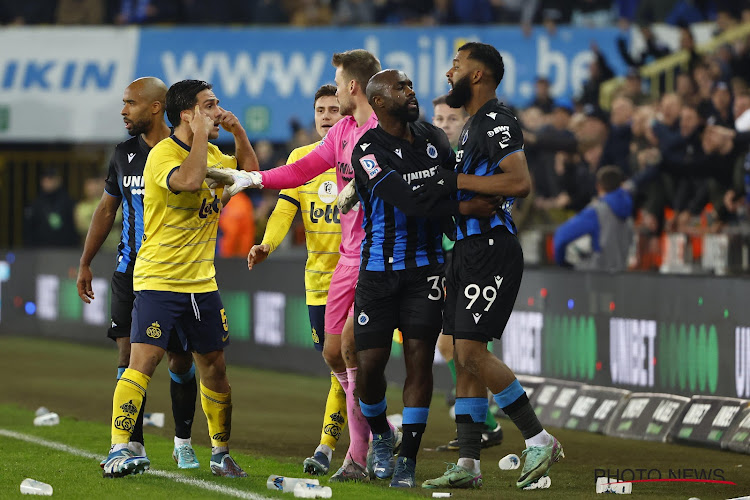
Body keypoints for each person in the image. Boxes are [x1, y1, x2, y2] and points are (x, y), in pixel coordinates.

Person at [209, 49, 382, 482]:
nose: (330, 106)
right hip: (339, 262)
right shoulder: (340, 133)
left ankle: (357, 451)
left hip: (381, 256)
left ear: (353, 87)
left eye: (338, 88)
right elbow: (299, 174)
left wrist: (363, 189)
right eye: (321, 107)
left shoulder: (383, 131)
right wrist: (254, 179)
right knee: (333, 353)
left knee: (361, 353)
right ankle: (384, 432)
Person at [422, 42, 563, 490]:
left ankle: (540, 438)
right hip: (464, 252)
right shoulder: (471, 127)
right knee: (462, 360)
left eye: (456, 65)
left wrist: (456, 182)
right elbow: (470, 196)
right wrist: (458, 200)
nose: (449, 72)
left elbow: (519, 182)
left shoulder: (497, 119)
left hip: (490, 250)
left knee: (469, 354)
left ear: (477, 75)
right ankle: (468, 464)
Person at [101, 79, 259, 478]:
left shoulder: (216, 152)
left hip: (202, 284)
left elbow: (251, 177)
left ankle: (220, 453)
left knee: (215, 368)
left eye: (218, 104)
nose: (218, 110)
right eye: (210, 105)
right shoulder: (162, 155)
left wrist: (238, 132)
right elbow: (189, 181)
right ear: (187, 113)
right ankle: (120, 449)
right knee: (144, 361)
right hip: (159, 279)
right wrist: (203, 136)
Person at [351, 69, 498, 488]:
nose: (410, 92)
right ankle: (382, 434)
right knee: (370, 367)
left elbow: (450, 196)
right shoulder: (368, 150)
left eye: (410, 85)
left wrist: (460, 215)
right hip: (378, 274)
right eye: (401, 88)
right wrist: (464, 207)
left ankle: (408, 460)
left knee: (420, 360)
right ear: (379, 102)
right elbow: (411, 201)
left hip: (426, 272)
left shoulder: (435, 139)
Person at [77, 77, 202, 471]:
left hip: (175, 272)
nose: (123, 110)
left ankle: (183, 442)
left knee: (180, 361)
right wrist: (85, 261)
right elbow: (106, 210)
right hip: (130, 270)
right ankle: (132, 446)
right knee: (128, 354)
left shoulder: (185, 151)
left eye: (130, 103)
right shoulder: (123, 154)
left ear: (155, 107)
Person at [246, 84, 348, 474]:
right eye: (320, 109)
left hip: (357, 279)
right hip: (318, 284)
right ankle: (378, 429)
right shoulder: (302, 159)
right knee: (337, 365)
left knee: (346, 361)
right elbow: (284, 210)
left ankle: (326, 447)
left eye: (333, 109)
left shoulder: (360, 155)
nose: (325, 115)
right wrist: (267, 245)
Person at [432, 95, 503, 451]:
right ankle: (482, 425)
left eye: (451, 118)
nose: (444, 124)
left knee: (469, 350)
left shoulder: (476, 158)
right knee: (453, 348)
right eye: (439, 118)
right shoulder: (439, 159)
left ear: (466, 124)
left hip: (479, 259)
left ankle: (492, 424)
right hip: (455, 262)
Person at [553, 165, 634, 272]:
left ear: (598, 186)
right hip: (621, 275)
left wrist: (563, 264)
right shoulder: (628, 211)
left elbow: (561, 235)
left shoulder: (597, 211)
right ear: (621, 185)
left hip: (596, 277)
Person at [24, 167, 77, 248]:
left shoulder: (69, 202)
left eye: (52, 179)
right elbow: (29, 229)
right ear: (41, 182)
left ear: (59, 180)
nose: (49, 182)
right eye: (46, 179)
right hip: (40, 250)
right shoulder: (36, 203)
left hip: (65, 250)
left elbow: (73, 227)